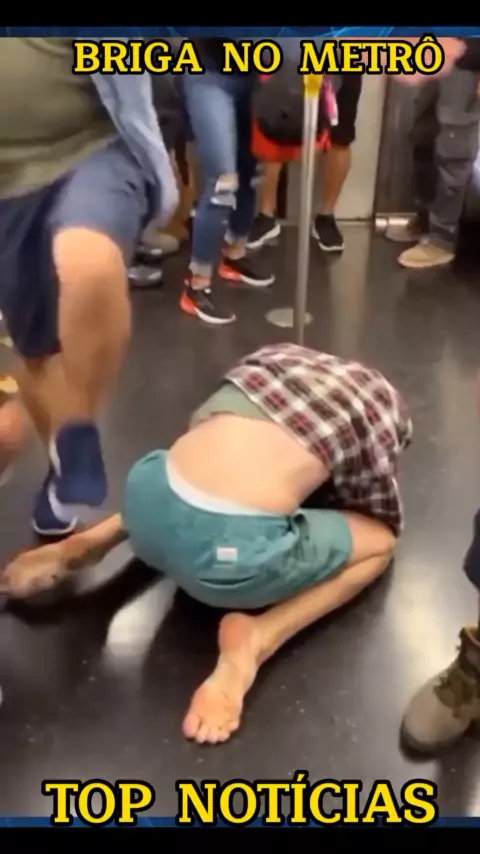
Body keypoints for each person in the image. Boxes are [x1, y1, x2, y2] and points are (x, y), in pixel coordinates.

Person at [1, 343, 412, 744]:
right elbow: (377, 509)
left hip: (145, 496)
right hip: (225, 559)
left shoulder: (264, 369)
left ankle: (90, 542)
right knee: (381, 543)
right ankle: (258, 639)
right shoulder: (365, 419)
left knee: (189, 471)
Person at [0, 38, 177, 537]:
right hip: (9, 184)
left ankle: (78, 428)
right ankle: (63, 465)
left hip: (95, 150)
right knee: (36, 352)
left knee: (87, 257)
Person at [179, 39, 275, 326]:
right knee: (223, 182)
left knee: (250, 172)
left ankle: (234, 255)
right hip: (207, 72)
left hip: (252, 73)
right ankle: (196, 284)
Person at [387, 41, 480, 269]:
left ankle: (442, 239)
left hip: (470, 59)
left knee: (454, 150)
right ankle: (426, 220)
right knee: (423, 133)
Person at [247, 75, 362, 253]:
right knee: (275, 126)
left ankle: (326, 216)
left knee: (341, 137)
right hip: (293, 60)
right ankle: (266, 214)